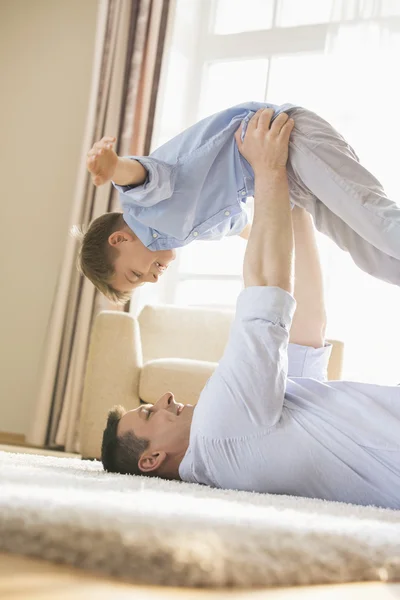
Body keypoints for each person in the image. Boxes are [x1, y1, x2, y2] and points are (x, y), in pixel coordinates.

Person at [100, 109, 400, 510]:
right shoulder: (219, 432)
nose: (165, 398)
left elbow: (306, 325)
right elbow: (266, 292)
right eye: (151, 414)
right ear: (151, 459)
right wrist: (267, 170)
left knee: (374, 251)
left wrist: (289, 201)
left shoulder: (241, 436)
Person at [76, 101, 400, 305]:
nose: (153, 278)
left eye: (136, 274)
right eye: (144, 283)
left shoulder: (143, 207)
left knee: (379, 225)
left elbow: (140, 176)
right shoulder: (189, 230)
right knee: (376, 261)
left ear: (120, 239)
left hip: (282, 136)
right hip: (291, 181)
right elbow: (246, 228)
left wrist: (113, 167)